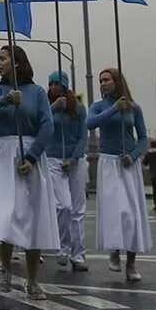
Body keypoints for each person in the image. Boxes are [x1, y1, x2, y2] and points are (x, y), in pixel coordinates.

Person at [0, 44, 57, 300]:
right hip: (1, 155)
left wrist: (31, 157)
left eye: (2, 59)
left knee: (32, 215)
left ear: (17, 63)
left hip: (28, 154)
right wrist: (4, 100)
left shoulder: (37, 92)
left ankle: (32, 280)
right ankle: (5, 269)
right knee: (5, 213)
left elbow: (47, 126)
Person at [85, 68, 150, 282]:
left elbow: (143, 138)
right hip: (108, 162)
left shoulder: (134, 108)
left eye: (107, 80)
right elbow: (90, 123)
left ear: (117, 82)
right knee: (114, 211)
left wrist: (133, 156)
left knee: (130, 213)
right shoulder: (99, 106)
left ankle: (131, 262)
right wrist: (114, 109)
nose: (103, 83)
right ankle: (114, 251)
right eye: (101, 80)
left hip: (128, 164)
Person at [44, 71, 89, 272]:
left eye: (58, 84)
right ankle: (62, 248)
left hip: (75, 160)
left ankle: (78, 254)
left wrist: (74, 158)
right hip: (53, 158)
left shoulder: (78, 109)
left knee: (78, 209)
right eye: (51, 84)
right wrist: (53, 109)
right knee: (63, 206)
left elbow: (83, 136)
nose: (54, 87)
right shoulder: (46, 107)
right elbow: (41, 127)